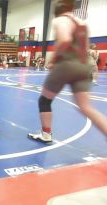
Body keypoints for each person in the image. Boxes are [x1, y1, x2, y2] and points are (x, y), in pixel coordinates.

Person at [28, 0, 107, 143]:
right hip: (84, 65)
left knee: (45, 100)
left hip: (67, 65)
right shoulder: (81, 22)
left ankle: (46, 134)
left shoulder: (61, 20)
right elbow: (84, 46)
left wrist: (53, 59)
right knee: (86, 107)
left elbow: (64, 39)